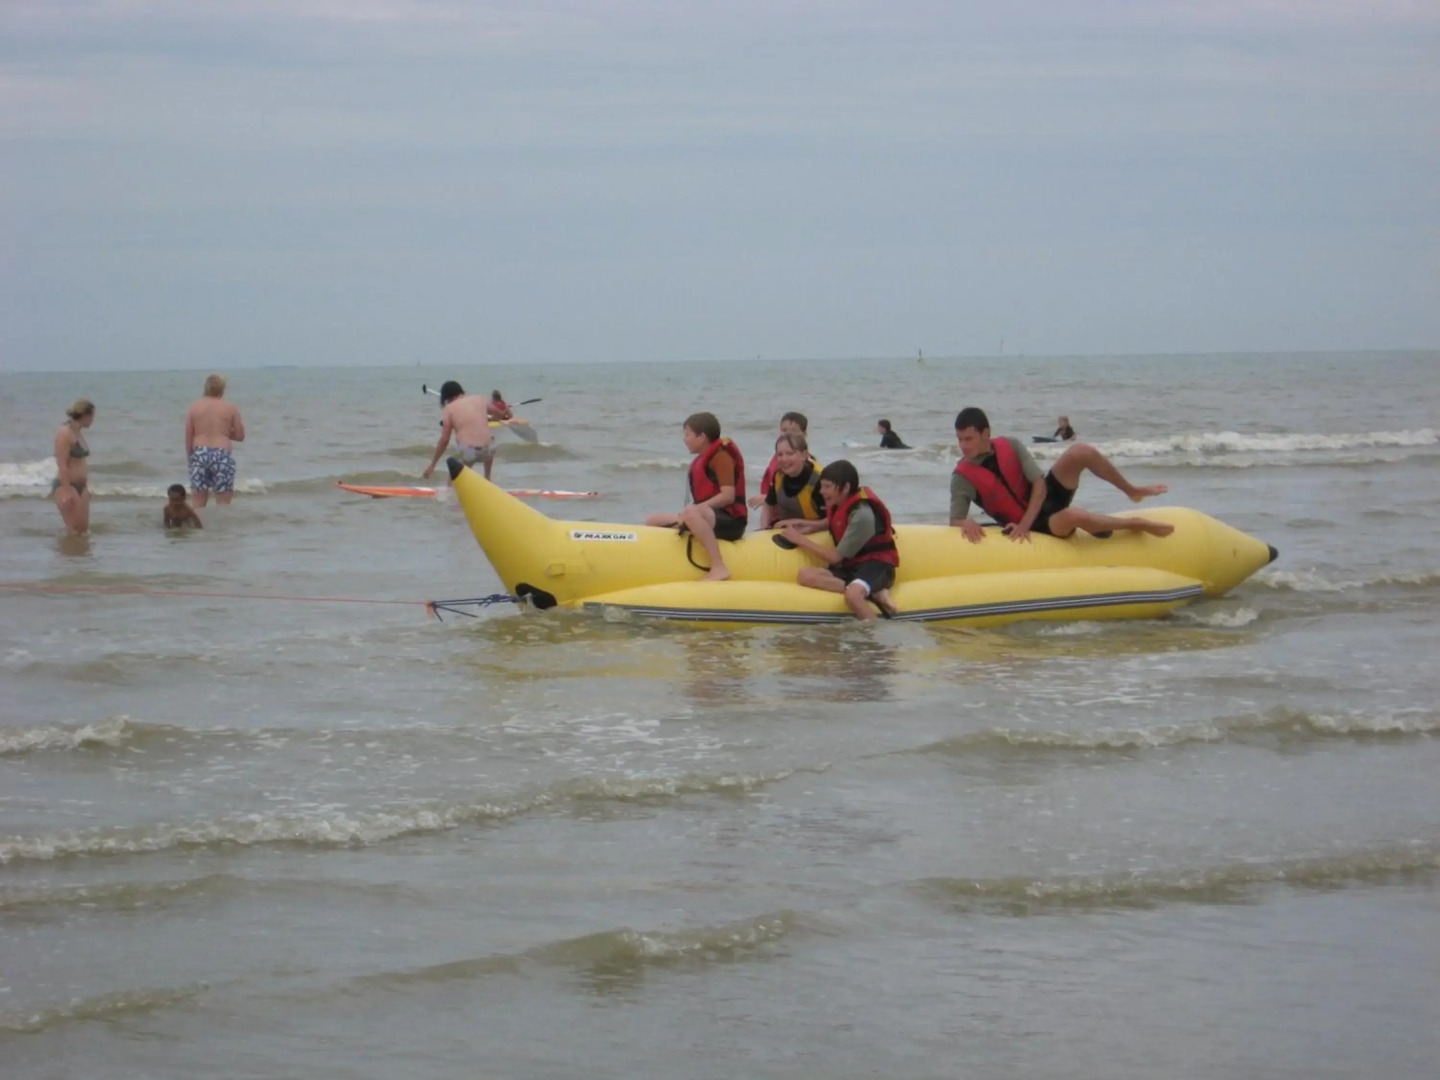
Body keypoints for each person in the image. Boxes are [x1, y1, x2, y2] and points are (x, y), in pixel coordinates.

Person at [950, 406, 1172, 543]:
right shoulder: (962, 477)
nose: (963, 446)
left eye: (968, 439)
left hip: (1041, 502)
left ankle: (1131, 491)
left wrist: (1024, 523)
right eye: (960, 439)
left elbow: (1039, 484)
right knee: (1074, 516)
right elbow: (955, 520)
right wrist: (965, 522)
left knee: (1081, 451)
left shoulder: (1010, 445)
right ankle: (1135, 523)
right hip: (1040, 525)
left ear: (986, 433)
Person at [782, 460, 899, 619]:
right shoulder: (839, 502)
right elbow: (831, 522)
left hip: (876, 566)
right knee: (805, 575)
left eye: (828, 487)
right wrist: (806, 525)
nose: (822, 491)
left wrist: (800, 539)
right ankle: (874, 593)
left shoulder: (862, 516)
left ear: (846, 488)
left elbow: (835, 558)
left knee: (852, 596)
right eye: (822, 486)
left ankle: (875, 636)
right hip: (853, 566)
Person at [645, 412, 746, 582]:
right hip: (705, 517)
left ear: (702, 437)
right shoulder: (703, 459)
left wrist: (698, 508)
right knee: (653, 520)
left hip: (731, 521)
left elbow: (728, 496)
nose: (685, 439)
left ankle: (719, 566)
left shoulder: (721, 457)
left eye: (688, 435)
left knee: (691, 511)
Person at [185, 373, 245, 508]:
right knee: (223, 504)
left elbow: (189, 438)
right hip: (222, 454)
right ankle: (221, 528)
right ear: (223, 389)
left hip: (200, 453)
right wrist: (223, 434)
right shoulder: (231, 408)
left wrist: (190, 458)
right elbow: (240, 436)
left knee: (198, 504)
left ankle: (199, 527)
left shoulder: (194, 407)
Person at [423, 380, 496, 481]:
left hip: (469, 451)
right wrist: (500, 415)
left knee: (456, 468)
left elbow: (444, 440)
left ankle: (448, 491)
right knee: (490, 440)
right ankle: (488, 477)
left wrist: (432, 465)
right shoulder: (480, 399)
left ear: (447, 399)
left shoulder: (449, 409)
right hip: (488, 452)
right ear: (461, 392)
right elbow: (499, 414)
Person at [761, 432, 826, 529]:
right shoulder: (779, 476)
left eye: (790, 453)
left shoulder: (820, 481)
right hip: (786, 531)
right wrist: (764, 528)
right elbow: (768, 504)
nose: (784, 459)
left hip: (818, 533)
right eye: (780, 454)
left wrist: (797, 523)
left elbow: (830, 521)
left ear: (804, 455)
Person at [749, 411, 809, 510]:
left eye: (794, 431)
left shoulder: (805, 461)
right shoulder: (778, 458)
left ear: (804, 434)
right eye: (784, 430)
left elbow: (800, 493)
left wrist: (766, 498)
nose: (788, 434)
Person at [52, 398, 95, 535]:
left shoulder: (78, 432)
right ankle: (68, 555)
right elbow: (62, 464)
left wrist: (86, 487)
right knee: (73, 530)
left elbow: (80, 462)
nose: (93, 420)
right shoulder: (64, 433)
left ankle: (79, 556)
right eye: (92, 416)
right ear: (85, 415)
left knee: (83, 530)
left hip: (81, 487)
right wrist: (66, 490)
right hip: (67, 485)